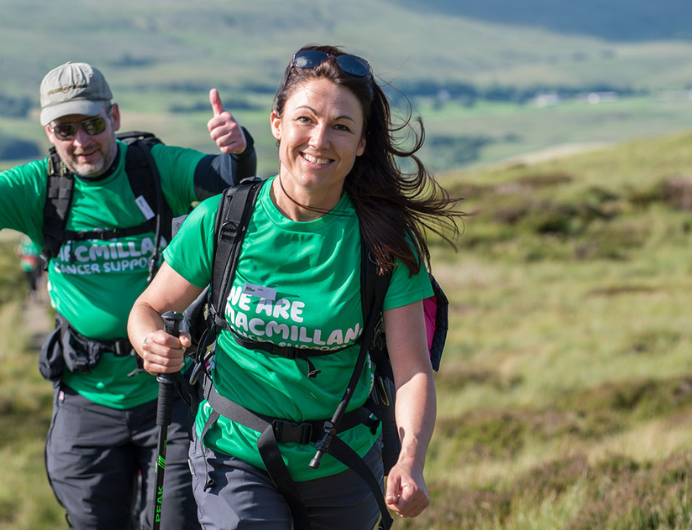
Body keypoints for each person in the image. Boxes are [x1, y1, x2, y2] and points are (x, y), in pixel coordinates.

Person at [0, 61, 256, 530]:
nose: (80, 141)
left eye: (91, 124)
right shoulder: (39, 186)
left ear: (113, 116)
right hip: (87, 395)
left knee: (176, 521)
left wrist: (239, 150)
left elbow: (225, 179)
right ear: (48, 131)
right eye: (64, 128)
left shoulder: (153, 169)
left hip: (170, 392)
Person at [128, 45, 461, 530]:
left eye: (342, 126)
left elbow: (412, 369)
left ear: (362, 143)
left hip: (343, 457)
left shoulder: (383, 241)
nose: (319, 140)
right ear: (277, 123)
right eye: (305, 119)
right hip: (232, 453)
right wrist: (148, 341)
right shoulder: (223, 221)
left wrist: (410, 459)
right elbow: (148, 307)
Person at [16, 234, 44, 300]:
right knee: (28, 279)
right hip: (25, 265)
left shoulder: (33, 244)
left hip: (33, 264)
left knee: (33, 278)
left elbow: (38, 253)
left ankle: (34, 291)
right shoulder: (22, 244)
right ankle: (32, 290)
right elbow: (19, 253)